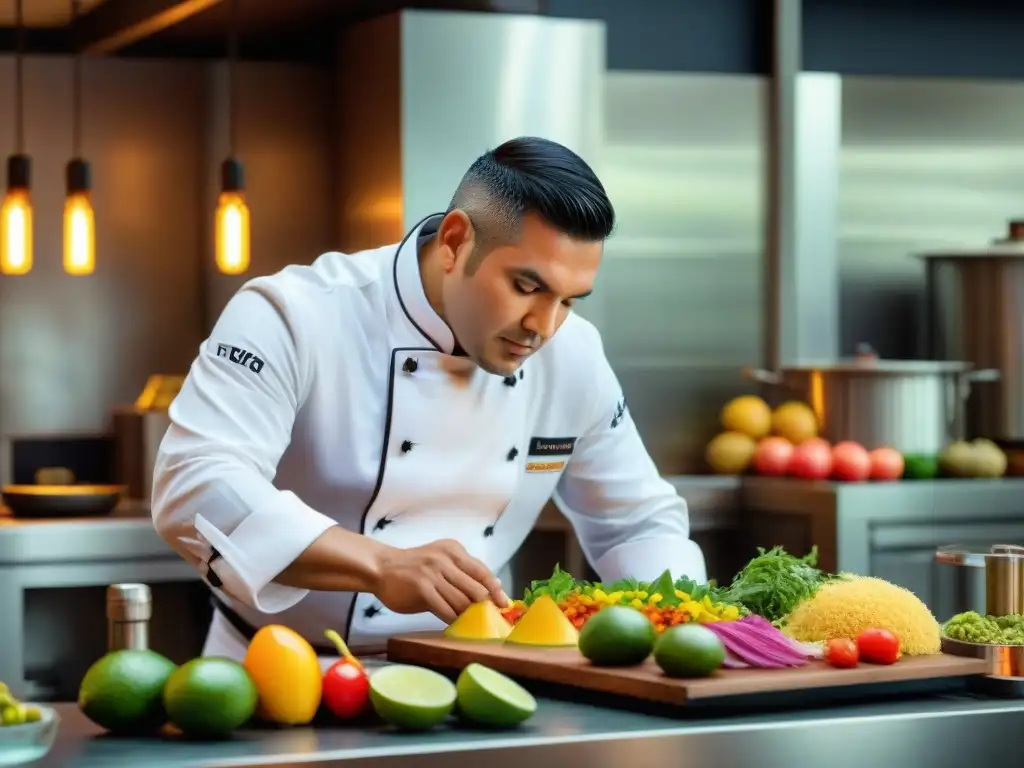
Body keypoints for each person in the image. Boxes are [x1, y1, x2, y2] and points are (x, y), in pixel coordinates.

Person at [151, 136, 707, 664]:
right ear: (455, 241)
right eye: (527, 287)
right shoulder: (296, 314)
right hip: (279, 672)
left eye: (569, 300)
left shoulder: (574, 355)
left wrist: (687, 630)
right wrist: (379, 564)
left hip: (478, 675)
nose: (544, 326)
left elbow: (637, 524)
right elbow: (195, 483)